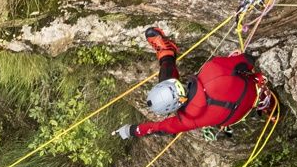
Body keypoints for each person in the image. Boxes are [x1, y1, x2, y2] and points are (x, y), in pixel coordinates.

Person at [113, 27, 272, 140]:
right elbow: (248, 61)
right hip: (253, 87)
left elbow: (160, 128)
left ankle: (167, 52)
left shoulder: (187, 121)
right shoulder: (212, 69)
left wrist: (131, 131)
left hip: (237, 114)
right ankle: (167, 54)